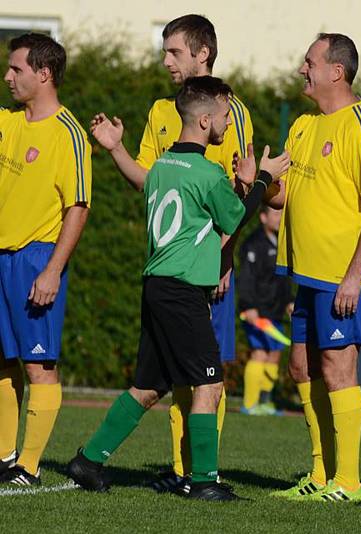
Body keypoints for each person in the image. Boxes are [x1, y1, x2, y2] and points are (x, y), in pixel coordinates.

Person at [66, 75, 290, 501]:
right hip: (183, 290)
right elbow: (235, 219)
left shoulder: (165, 165)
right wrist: (260, 178)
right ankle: (204, 482)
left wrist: (116, 149)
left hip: (157, 284)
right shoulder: (206, 172)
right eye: (224, 115)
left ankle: (88, 461)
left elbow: (159, 189)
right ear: (205, 120)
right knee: (210, 384)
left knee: (149, 386)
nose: (228, 122)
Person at [89, 14, 256, 494]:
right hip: (184, 272)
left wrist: (225, 259)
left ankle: (101, 461)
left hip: (199, 264)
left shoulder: (230, 109)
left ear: (202, 53)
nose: (165, 61)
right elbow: (227, 196)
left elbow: (229, 188)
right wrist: (118, 151)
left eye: (174, 51)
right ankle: (197, 476)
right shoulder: (164, 110)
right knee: (206, 377)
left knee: (167, 380)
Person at [271, 33, 361, 503]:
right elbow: (285, 196)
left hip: (343, 277)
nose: (303, 70)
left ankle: (349, 481)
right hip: (305, 275)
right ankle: (320, 475)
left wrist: (353, 276)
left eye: (310, 62)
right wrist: (256, 183)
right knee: (303, 367)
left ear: (335, 71)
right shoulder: (303, 126)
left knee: (340, 370)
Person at [0, 33, 92, 487]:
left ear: (44, 74)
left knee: (39, 366)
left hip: (36, 259)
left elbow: (78, 206)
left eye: (16, 68)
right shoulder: (8, 122)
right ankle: (4, 457)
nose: (7, 76)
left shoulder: (68, 134)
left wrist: (52, 270)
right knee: (0, 360)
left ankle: (29, 467)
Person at [238, 205, 293, 415]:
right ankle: (250, 404)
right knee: (259, 353)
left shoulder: (282, 243)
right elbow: (246, 278)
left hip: (275, 311)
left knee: (275, 354)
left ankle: (265, 402)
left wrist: (289, 301)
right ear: (263, 217)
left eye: (281, 213)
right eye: (275, 213)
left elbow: (283, 280)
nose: (280, 218)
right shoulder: (253, 244)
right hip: (256, 312)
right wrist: (249, 306)